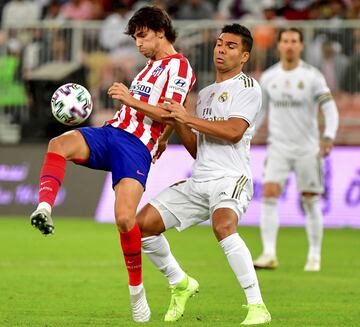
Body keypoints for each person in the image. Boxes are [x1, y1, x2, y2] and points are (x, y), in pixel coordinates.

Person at [29, 5, 195, 322]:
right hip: (112, 134)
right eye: (135, 38)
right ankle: (44, 208)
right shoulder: (148, 68)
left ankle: (137, 293)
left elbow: (173, 111)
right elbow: (169, 113)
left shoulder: (181, 67)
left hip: (134, 149)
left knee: (124, 219)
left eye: (142, 36)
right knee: (58, 144)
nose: (139, 44)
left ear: (161, 31)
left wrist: (131, 101)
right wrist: (164, 136)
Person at [136, 24, 271, 325]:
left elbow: (235, 133)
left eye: (231, 46)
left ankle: (257, 306)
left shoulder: (248, 88)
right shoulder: (207, 93)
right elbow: (199, 149)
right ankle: (180, 283)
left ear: (244, 55)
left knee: (223, 226)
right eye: (220, 43)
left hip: (231, 178)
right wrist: (177, 122)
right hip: (200, 179)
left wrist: (188, 117)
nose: (221, 50)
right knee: (141, 225)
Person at [253, 28, 339, 272]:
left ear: (301, 46)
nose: (289, 45)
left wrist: (328, 136)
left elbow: (330, 109)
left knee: (310, 200)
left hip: (307, 149)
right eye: (285, 41)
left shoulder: (312, 76)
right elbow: (261, 112)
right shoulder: (269, 77)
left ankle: (314, 256)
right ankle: (269, 253)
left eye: (294, 41)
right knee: (269, 194)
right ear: (278, 45)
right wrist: (247, 135)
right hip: (278, 147)